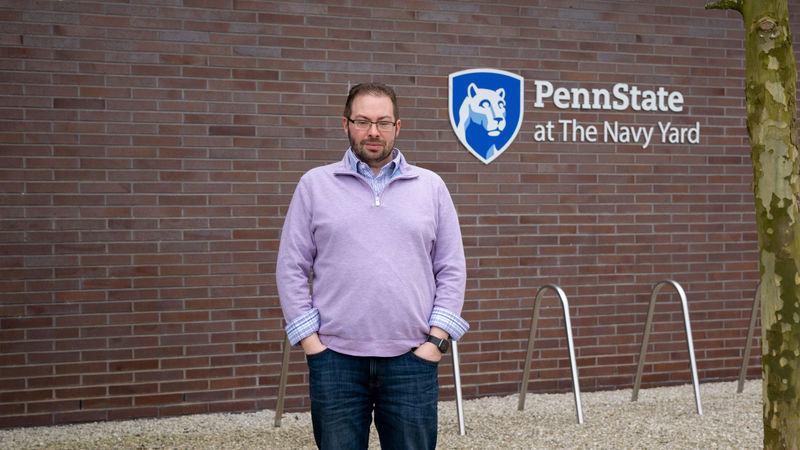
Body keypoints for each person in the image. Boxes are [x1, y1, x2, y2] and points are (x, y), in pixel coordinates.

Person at [275, 82, 468, 450]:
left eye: (383, 122)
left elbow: (451, 269)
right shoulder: (314, 185)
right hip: (335, 361)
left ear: (399, 127)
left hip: (412, 360)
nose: (373, 132)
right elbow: (292, 266)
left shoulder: (431, 187)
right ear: (345, 124)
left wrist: (436, 342)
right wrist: (311, 344)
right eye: (362, 121)